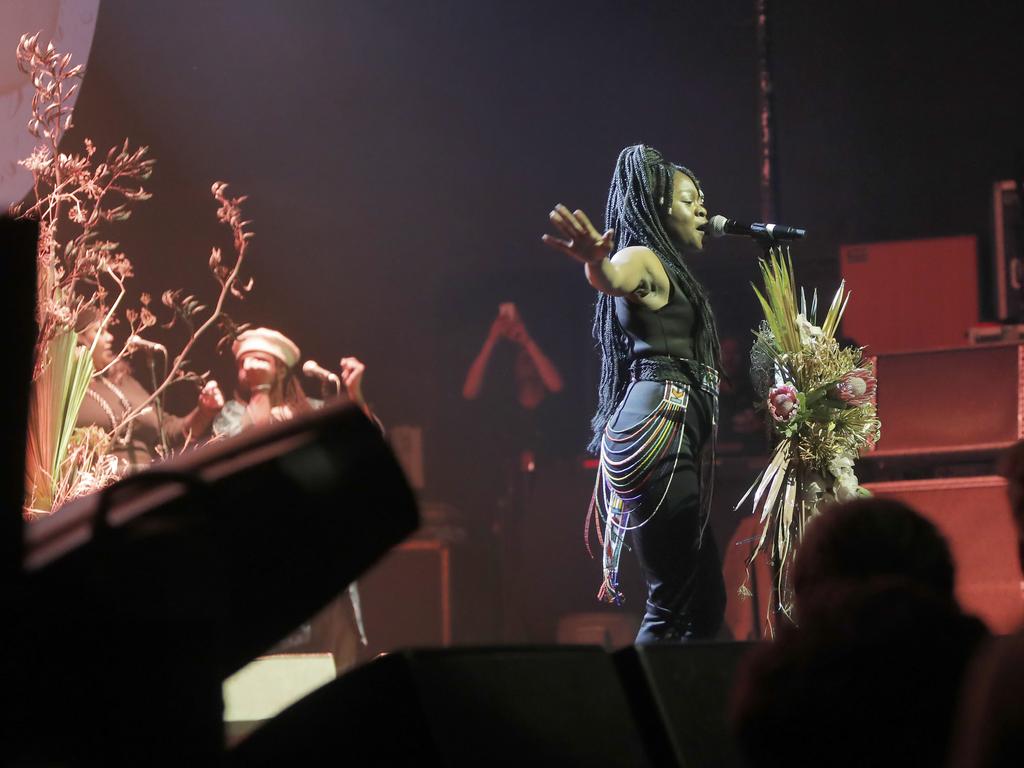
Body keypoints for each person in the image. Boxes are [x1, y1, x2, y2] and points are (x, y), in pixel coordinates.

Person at [542, 144, 726, 642]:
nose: (703, 210)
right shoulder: (640, 257)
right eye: (690, 200)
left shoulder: (672, 267)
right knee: (672, 603)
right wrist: (594, 263)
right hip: (658, 425)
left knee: (703, 599)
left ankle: (690, 708)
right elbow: (612, 277)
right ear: (659, 205)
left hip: (672, 426)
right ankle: (648, 715)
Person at [213, 327, 375, 672]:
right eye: (244, 362)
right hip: (267, 575)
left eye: (259, 359)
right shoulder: (229, 416)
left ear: (282, 367)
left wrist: (354, 394)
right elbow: (234, 455)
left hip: (325, 572)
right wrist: (260, 393)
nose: (250, 366)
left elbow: (366, 447)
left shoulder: (313, 411)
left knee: (337, 677)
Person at [75, 310, 224, 473]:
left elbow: (165, 429)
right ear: (78, 339)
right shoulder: (70, 393)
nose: (110, 337)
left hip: (150, 477)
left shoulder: (123, 381)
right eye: (100, 331)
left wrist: (204, 412)